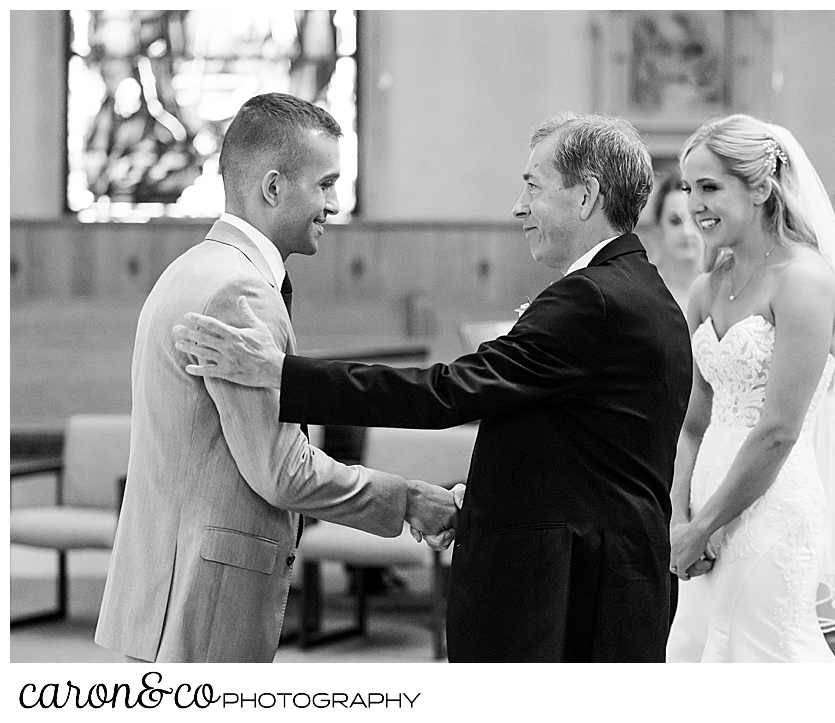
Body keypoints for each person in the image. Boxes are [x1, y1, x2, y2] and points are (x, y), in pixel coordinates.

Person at [173, 112, 693, 662]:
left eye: (532, 187)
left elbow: (446, 392)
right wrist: (497, 497)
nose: (519, 206)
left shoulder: (594, 299)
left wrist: (278, 373)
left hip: (572, 589)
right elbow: (584, 448)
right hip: (600, 573)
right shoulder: (632, 287)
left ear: (586, 196)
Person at [94, 93, 457, 663]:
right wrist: (405, 498)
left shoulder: (190, 269)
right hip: (204, 598)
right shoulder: (239, 292)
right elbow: (281, 471)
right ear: (273, 187)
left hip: (164, 589)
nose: (334, 205)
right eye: (326, 184)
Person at [664, 114, 835, 663]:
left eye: (710, 187)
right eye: (689, 188)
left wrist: (707, 523)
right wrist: (678, 518)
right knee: (693, 654)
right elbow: (691, 422)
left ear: (761, 186)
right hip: (699, 506)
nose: (695, 204)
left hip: (770, 504)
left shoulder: (804, 280)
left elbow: (779, 431)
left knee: (762, 658)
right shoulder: (705, 288)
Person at [645, 165, 704, 314]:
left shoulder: (726, 288)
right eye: (675, 221)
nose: (687, 231)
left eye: (695, 220)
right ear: (658, 229)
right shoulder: (642, 289)